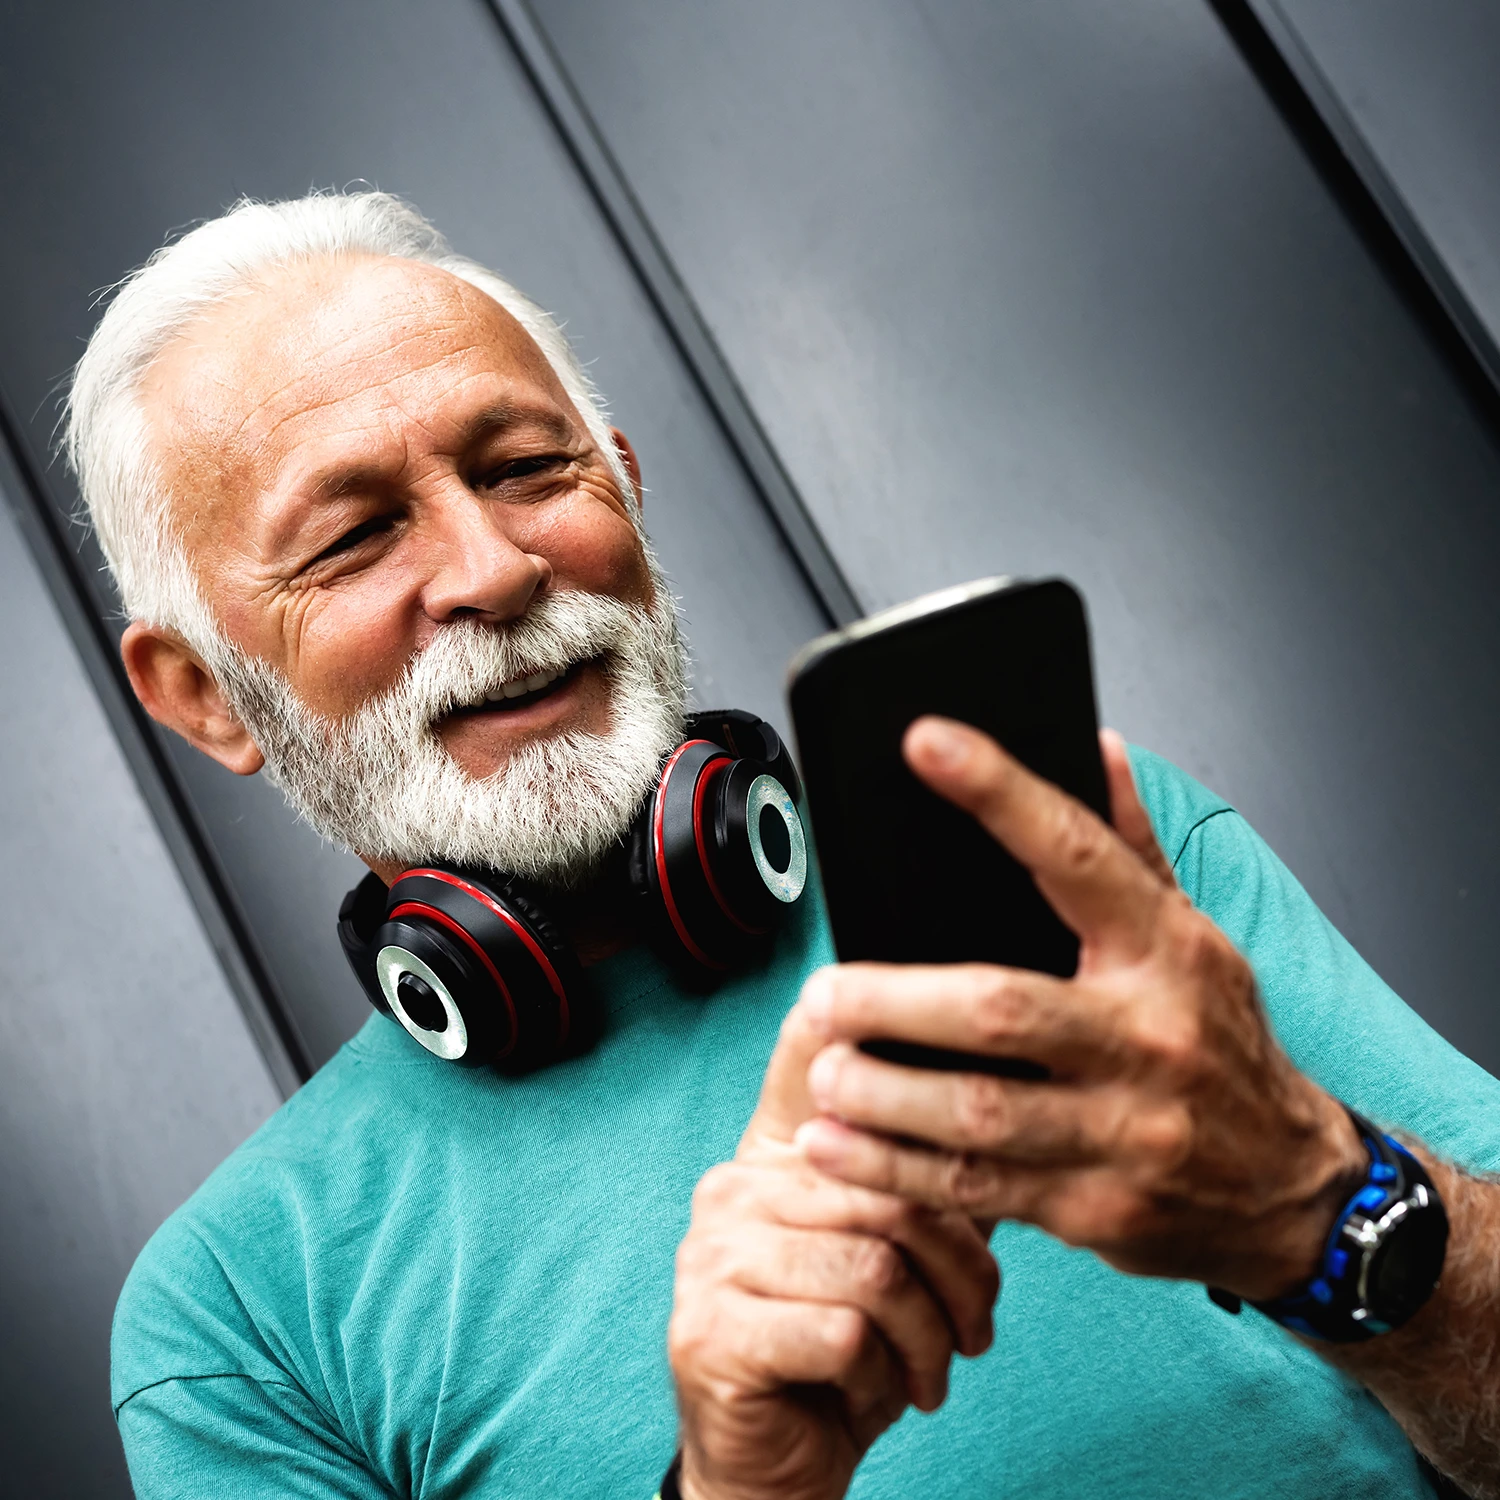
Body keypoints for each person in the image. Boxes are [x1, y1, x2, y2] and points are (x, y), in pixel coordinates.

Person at [72, 191, 1499, 1500]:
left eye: (525, 467)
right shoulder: (241, 1317)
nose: (496, 570)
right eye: (355, 534)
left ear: (622, 488)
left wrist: (1323, 1207)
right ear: (203, 692)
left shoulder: (1095, 862)